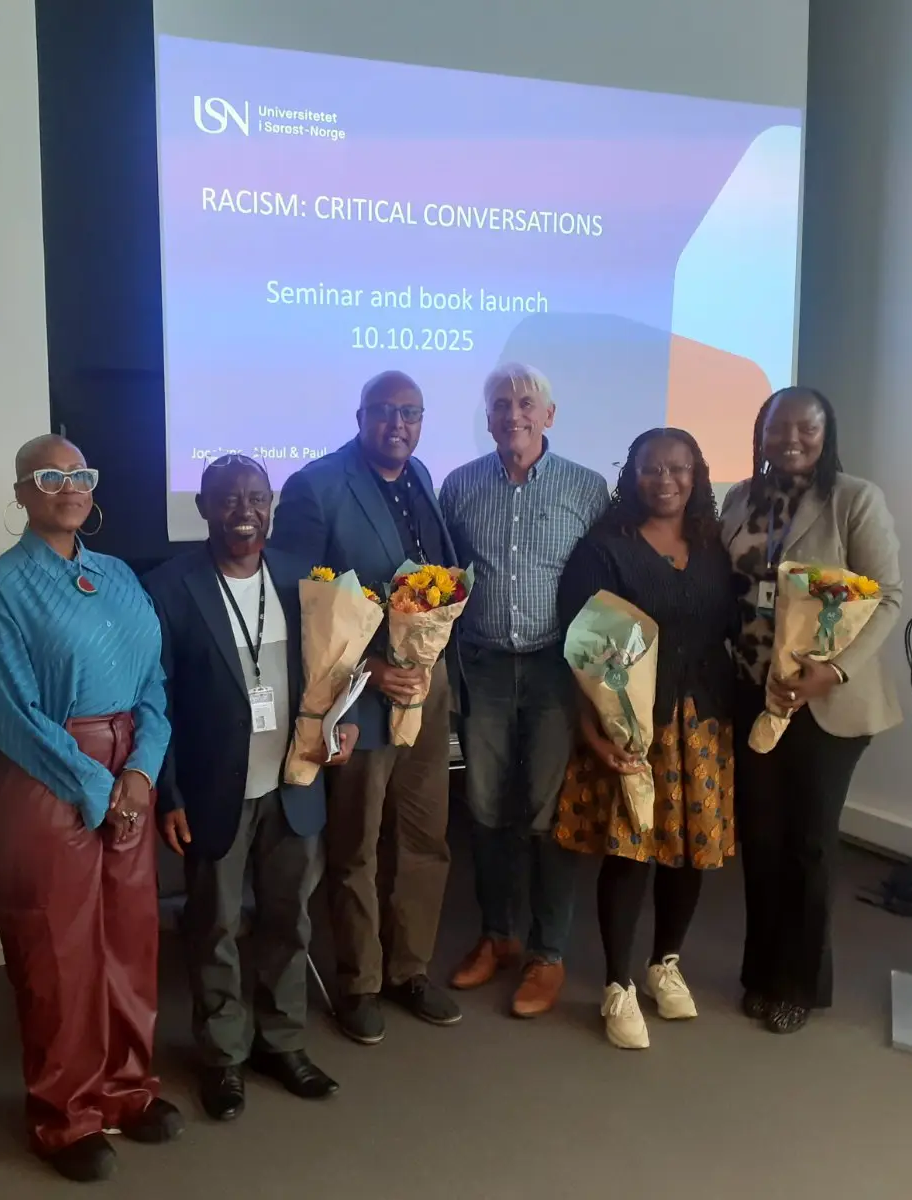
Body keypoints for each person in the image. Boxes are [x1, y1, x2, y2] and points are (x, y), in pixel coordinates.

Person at [0, 435, 181, 1182]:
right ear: (24, 492)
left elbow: (154, 685)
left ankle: (127, 1090)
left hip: (129, 769)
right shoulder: (0, 587)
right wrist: (98, 790)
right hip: (47, 778)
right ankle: (63, 1116)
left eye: (81, 475)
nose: (70, 486)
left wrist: (139, 774)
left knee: (131, 940)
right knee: (58, 954)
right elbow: (10, 713)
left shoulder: (120, 575)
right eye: (51, 475)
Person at [146, 454, 360, 1122]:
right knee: (212, 925)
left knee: (287, 921)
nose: (245, 510)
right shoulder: (170, 587)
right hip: (213, 790)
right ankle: (222, 1057)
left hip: (292, 785)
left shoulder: (303, 578)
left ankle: (282, 1042)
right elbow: (157, 699)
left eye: (257, 496)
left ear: (272, 504)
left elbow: (332, 674)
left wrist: (340, 728)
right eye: (229, 498)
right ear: (203, 508)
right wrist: (169, 792)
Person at [269, 370, 464, 1044]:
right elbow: (297, 605)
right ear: (360, 416)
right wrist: (373, 667)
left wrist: (422, 663)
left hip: (425, 690)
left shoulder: (421, 480)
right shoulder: (316, 488)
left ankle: (411, 970)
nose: (398, 424)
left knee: (424, 836)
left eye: (410, 412)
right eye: (384, 412)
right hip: (359, 693)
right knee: (356, 844)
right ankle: (360, 982)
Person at [721, 387, 902, 1034]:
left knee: (810, 845)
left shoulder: (856, 499)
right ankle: (761, 971)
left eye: (807, 428)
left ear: (827, 435)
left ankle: (800, 982)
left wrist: (835, 670)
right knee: (763, 841)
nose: (791, 439)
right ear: (761, 433)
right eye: (778, 428)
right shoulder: (739, 499)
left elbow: (887, 596)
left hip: (825, 703)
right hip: (752, 694)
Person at [555, 428, 738, 1050]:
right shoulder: (605, 549)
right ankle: (617, 984)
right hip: (632, 727)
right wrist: (591, 729)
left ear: (697, 474)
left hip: (704, 721)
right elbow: (580, 648)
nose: (666, 480)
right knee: (631, 852)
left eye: (679, 468)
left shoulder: (713, 546)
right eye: (651, 468)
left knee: (689, 849)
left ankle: (666, 963)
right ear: (631, 475)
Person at [438, 364, 608, 1017]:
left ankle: (548, 952)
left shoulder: (587, 489)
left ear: (550, 415)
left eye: (527, 403)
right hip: (482, 666)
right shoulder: (460, 488)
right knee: (483, 810)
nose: (515, 414)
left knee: (546, 815)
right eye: (502, 404)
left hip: (553, 670)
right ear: (487, 418)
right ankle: (497, 936)